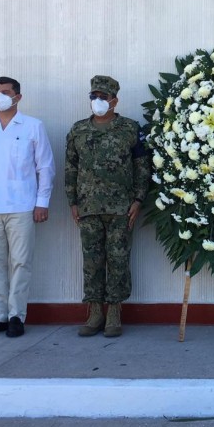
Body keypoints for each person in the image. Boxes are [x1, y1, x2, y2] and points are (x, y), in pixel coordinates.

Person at [0, 77, 55, 338]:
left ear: (18, 97)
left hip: (22, 206)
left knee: (21, 262)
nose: (0, 96)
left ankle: (17, 315)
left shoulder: (32, 127)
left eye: (6, 92)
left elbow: (45, 168)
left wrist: (42, 202)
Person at [65, 75, 150, 338]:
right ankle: (94, 312)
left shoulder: (130, 128)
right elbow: (70, 167)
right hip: (89, 207)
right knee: (91, 261)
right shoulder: (78, 130)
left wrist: (138, 200)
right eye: (94, 97)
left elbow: (142, 167)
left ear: (115, 100)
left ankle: (114, 311)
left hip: (120, 208)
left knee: (118, 259)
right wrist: (73, 202)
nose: (98, 101)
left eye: (103, 97)